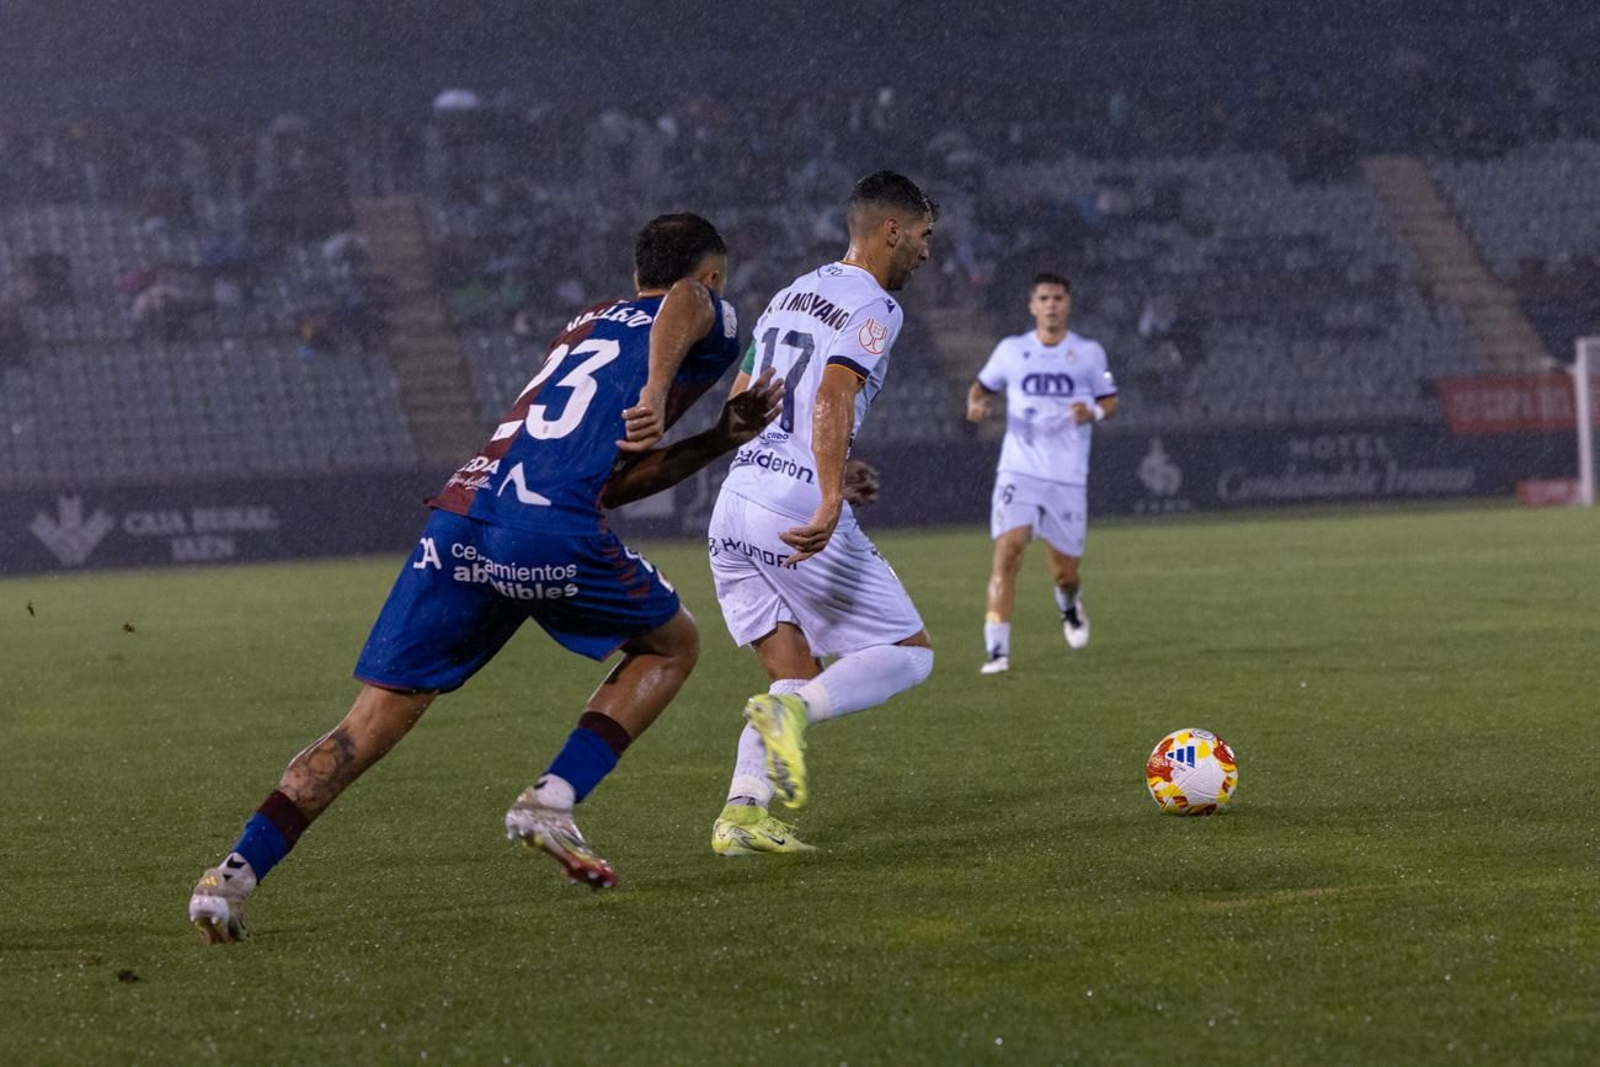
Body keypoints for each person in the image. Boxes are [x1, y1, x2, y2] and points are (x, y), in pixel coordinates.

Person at [188, 214, 783, 942]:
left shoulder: (584, 325)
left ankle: (231, 878)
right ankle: (552, 798)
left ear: (634, 276)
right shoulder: (705, 310)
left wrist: (718, 439)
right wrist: (660, 391)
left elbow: (612, 484)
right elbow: (685, 300)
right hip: (544, 526)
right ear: (712, 276)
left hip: (463, 516)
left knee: (368, 722)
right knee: (673, 644)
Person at [705, 170, 939, 856]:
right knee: (909, 654)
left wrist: (821, 462)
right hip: (794, 507)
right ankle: (790, 715)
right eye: (923, 235)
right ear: (891, 231)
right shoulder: (876, 305)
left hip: (735, 502)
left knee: (791, 675)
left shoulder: (788, 294)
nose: (926, 251)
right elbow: (835, 390)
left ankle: (742, 813)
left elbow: (739, 403)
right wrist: (827, 490)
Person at [965, 272, 1119, 674]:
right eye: (1044, 298)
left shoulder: (1088, 353)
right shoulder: (1011, 351)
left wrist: (1094, 411)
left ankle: (1069, 606)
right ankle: (997, 652)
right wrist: (976, 405)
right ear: (1032, 306)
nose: (1051, 305)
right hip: (1019, 470)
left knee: (1065, 573)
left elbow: (1110, 399)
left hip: (1067, 475)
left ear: (1068, 304)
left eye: (1058, 298)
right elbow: (981, 387)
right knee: (1007, 552)